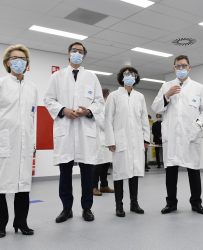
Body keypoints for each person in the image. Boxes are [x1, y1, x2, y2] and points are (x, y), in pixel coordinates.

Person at [44, 42, 104, 223]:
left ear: (84, 55)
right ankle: (66, 209)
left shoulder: (92, 77)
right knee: (65, 173)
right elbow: (48, 99)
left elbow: (99, 101)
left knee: (87, 173)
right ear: (68, 53)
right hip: (66, 130)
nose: (77, 53)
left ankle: (87, 208)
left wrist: (88, 111)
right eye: (74, 51)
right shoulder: (57, 76)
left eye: (80, 51)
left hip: (85, 130)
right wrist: (63, 110)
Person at [152, 55, 203, 214]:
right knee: (171, 171)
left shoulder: (199, 87)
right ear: (174, 68)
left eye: (184, 66)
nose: (181, 69)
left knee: (193, 170)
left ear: (189, 68)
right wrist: (167, 95)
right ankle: (171, 203)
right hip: (171, 136)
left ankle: (196, 203)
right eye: (178, 66)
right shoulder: (167, 86)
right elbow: (156, 108)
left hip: (190, 136)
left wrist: (197, 127)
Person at [0, 44, 37, 237]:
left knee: (23, 186)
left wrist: (33, 143)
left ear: (27, 64)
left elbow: (33, 117)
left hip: (25, 143)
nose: (19, 62)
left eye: (22, 59)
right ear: (7, 62)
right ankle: (0, 225)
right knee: (1, 186)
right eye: (15, 58)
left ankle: (21, 222)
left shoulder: (32, 88)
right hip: (4, 142)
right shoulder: (1, 84)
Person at [105, 66, 150, 217]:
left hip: (136, 141)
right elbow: (108, 119)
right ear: (121, 77)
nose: (129, 76)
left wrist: (146, 139)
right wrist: (110, 140)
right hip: (120, 140)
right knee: (119, 173)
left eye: (132, 74)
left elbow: (144, 119)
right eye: (126, 74)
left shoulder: (140, 96)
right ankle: (119, 205)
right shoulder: (114, 96)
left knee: (135, 172)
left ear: (136, 77)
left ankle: (134, 203)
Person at [93, 88, 114, 196]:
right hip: (99, 139)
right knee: (98, 165)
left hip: (107, 139)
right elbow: (102, 123)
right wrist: (112, 125)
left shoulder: (107, 107)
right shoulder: (98, 107)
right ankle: (94, 187)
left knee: (106, 164)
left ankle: (104, 186)